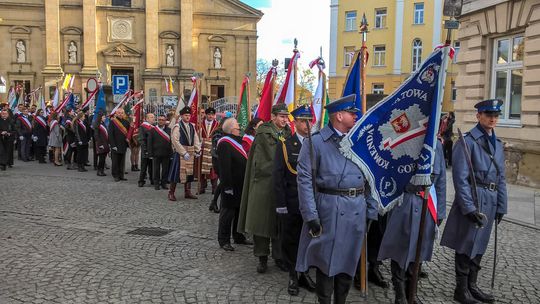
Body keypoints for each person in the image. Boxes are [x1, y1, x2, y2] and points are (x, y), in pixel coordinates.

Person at [295, 94, 379, 304]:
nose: (355, 117)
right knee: (327, 264)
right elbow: (305, 181)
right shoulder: (315, 143)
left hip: (356, 211)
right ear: (339, 116)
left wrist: (370, 209)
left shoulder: (360, 143)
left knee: (349, 264)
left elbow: (370, 179)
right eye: (352, 114)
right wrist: (310, 215)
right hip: (328, 210)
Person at [441, 99, 507, 304]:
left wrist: (502, 206)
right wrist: (468, 208)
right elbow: (459, 179)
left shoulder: (498, 143)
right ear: (478, 116)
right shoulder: (467, 141)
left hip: (491, 199)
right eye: (488, 115)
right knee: (465, 245)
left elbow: (501, 177)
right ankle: (461, 290)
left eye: (495, 115)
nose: (492, 119)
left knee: (479, 246)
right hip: (474, 198)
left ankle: (472, 286)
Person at [378, 140, 446, 304]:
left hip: (427, 202)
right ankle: (400, 295)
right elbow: (388, 172)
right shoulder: (405, 139)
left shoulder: (436, 144)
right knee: (400, 250)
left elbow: (441, 179)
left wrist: (441, 211)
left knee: (419, 250)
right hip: (404, 202)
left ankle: (411, 293)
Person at [238, 103, 292, 274]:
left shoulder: (287, 132)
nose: (285, 120)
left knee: (279, 221)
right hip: (263, 183)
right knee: (261, 222)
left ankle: (279, 256)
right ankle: (262, 257)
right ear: (274, 116)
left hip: (281, 183)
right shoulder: (263, 133)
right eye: (282, 116)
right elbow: (261, 160)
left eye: (286, 116)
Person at [273, 105, 316, 296]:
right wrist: (280, 204)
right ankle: (293, 275)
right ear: (295, 122)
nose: (307, 125)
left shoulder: (316, 144)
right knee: (291, 239)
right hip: (292, 201)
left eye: (310, 121)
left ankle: (304, 272)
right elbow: (278, 176)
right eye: (303, 121)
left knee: (308, 239)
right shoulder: (285, 144)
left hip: (312, 201)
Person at [216, 118, 252, 251]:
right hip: (230, 185)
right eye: (238, 128)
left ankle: (238, 236)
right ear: (231, 130)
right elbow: (224, 167)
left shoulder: (236, 141)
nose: (240, 130)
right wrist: (227, 186)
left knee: (238, 212)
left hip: (240, 184)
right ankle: (224, 240)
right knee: (227, 213)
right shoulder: (225, 143)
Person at [168, 107, 201, 201]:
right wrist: (183, 152)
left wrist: (198, 150)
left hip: (190, 152)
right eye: (186, 115)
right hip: (180, 153)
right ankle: (171, 192)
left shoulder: (192, 126)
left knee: (189, 172)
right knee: (176, 173)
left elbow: (195, 138)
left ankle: (187, 192)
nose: (188, 117)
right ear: (182, 116)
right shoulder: (177, 126)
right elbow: (175, 141)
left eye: (189, 115)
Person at [208, 117, 231, 213]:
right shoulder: (218, 133)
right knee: (223, 182)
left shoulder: (226, 133)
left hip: (222, 160)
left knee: (223, 182)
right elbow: (218, 148)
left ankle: (214, 202)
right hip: (218, 161)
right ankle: (217, 203)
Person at [148, 114, 172, 190]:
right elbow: (149, 142)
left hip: (166, 153)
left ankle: (164, 183)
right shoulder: (153, 130)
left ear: (165, 121)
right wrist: (150, 153)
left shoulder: (169, 130)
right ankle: (156, 183)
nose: (161, 121)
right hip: (156, 153)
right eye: (160, 120)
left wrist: (171, 153)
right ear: (158, 120)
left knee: (165, 169)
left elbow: (171, 142)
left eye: (163, 120)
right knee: (156, 169)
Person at [200, 107, 219, 194]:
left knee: (213, 169)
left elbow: (219, 136)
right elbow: (197, 135)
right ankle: (202, 187)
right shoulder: (200, 124)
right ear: (206, 115)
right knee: (201, 168)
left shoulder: (218, 125)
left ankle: (214, 187)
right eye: (209, 114)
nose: (211, 116)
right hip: (202, 149)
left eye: (212, 114)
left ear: (214, 115)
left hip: (212, 149)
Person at [108, 108, 130, 182]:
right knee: (115, 161)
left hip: (123, 144)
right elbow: (110, 134)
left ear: (124, 114)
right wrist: (113, 145)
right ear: (116, 113)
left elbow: (129, 133)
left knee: (122, 161)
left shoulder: (126, 122)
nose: (120, 114)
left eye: (122, 113)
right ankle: (116, 175)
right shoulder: (113, 122)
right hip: (115, 145)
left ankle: (121, 175)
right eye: (119, 113)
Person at [138, 113, 156, 187]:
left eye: (153, 117)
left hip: (153, 150)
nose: (153, 118)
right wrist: (145, 149)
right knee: (144, 167)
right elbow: (141, 139)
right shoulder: (143, 127)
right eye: (151, 117)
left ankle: (152, 180)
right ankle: (141, 181)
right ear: (147, 119)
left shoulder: (154, 127)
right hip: (146, 150)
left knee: (152, 167)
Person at [92, 112, 109, 177]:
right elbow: (96, 135)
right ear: (100, 117)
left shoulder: (104, 124)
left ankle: (102, 170)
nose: (105, 118)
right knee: (101, 158)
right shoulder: (97, 124)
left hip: (105, 143)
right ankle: (99, 171)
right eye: (104, 117)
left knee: (103, 158)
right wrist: (99, 144)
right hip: (101, 144)